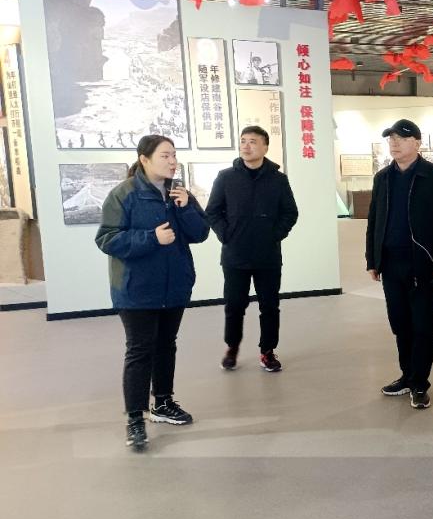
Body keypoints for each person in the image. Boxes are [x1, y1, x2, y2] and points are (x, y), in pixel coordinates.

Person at [95, 135, 210, 451]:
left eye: (174, 155)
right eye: (165, 155)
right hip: (136, 288)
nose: (173, 161)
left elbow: (201, 233)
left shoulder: (179, 193)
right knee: (140, 350)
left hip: (174, 286)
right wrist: (151, 238)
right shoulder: (124, 195)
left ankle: (163, 402)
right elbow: (107, 239)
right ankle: (135, 418)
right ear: (144, 159)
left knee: (166, 345)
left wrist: (185, 208)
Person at [366, 119, 433, 410]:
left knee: (422, 326)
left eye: (401, 138)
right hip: (391, 264)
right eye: (391, 138)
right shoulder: (383, 178)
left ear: (417, 143)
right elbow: (374, 220)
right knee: (400, 323)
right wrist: (372, 259)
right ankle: (407, 375)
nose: (394, 143)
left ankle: (420, 383)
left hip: (424, 266)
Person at [206, 125, 299, 373]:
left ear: (265, 147)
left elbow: (290, 213)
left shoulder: (278, 180)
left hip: (268, 256)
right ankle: (232, 347)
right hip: (235, 255)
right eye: (243, 141)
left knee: (269, 306)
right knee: (234, 305)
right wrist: (226, 234)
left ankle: (267, 351)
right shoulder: (226, 177)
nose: (246, 146)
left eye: (253, 141)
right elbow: (212, 211)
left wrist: (275, 235)